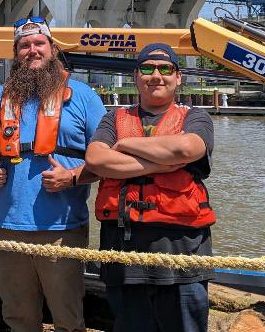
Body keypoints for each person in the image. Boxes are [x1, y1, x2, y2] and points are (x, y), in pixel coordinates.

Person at [0, 17, 107, 332]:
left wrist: (72, 177)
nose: (32, 50)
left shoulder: (83, 97)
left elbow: (107, 157)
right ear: (16, 53)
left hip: (62, 231)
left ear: (52, 48)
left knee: (68, 319)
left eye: (39, 43)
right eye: (24, 45)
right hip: (5, 231)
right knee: (18, 318)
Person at [85, 43, 216, 332]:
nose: (156, 75)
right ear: (136, 76)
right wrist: (159, 164)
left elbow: (185, 149)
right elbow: (95, 159)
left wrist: (125, 145)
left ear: (178, 77)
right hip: (124, 257)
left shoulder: (196, 117)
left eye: (165, 68)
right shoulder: (113, 119)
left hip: (182, 257)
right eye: (147, 68)